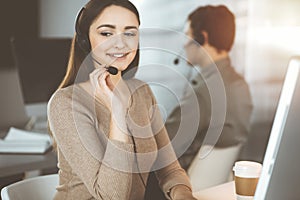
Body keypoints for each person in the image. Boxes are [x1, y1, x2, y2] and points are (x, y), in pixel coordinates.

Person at [47, 0, 197, 199]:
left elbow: (170, 171)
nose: (121, 44)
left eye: (129, 33)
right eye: (106, 33)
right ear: (85, 39)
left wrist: (183, 195)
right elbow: (111, 196)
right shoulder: (65, 104)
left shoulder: (141, 92)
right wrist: (118, 110)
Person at [165, 5, 253, 170]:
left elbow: (164, 146)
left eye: (187, 36)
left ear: (201, 38)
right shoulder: (240, 86)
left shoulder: (203, 92)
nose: (184, 45)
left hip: (180, 185)